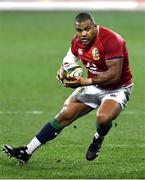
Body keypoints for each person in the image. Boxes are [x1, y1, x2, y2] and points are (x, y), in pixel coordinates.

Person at [2, 12, 133, 164]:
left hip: (117, 88)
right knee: (65, 114)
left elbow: (114, 75)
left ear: (95, 27)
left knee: (103, 118)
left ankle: (98, 137)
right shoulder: (77, 41)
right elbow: (69, 59)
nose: (83, 34)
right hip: (93, 85)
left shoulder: (111, 40)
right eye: (79, 30)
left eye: (87, 29)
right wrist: (64, 70)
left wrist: (83, 82)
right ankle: (27, 151)